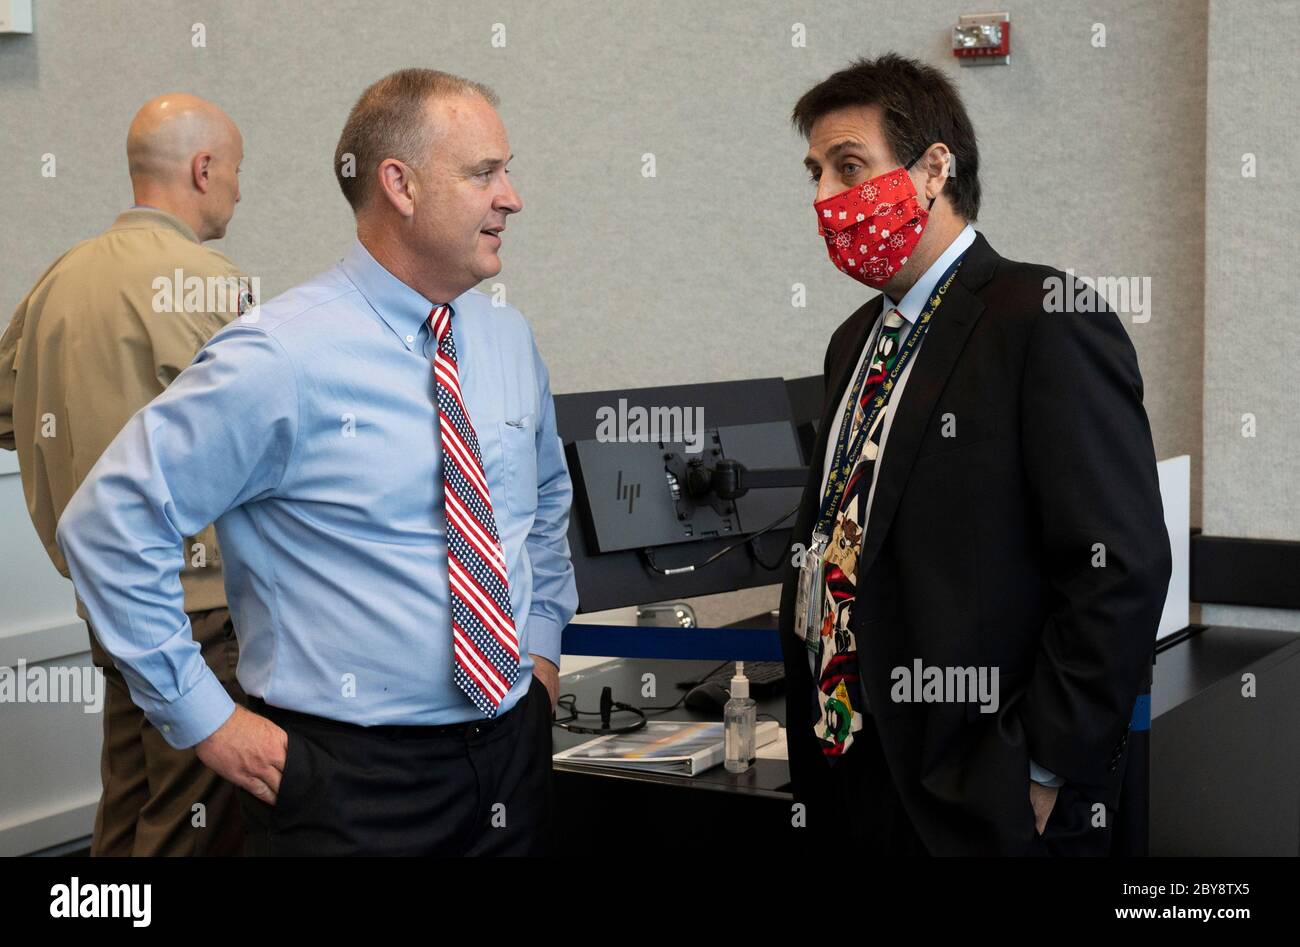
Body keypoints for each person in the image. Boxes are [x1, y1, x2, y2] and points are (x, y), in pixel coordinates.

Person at [55, 68, 577, 857]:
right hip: (347, 786)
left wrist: (539, 652)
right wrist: (207, 717)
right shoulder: (279, 356)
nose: (512, 196)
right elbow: (109, 525)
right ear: (400, 185)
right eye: (484, 173)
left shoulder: (507, 340)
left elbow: (542, 505)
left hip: (511, 756)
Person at [779, 54, 1171, 855]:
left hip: (979, 795)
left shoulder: (1042, 319)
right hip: (851, 772)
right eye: (815, 172)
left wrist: (1040, 770)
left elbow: (1117, 568)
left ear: (932, 170)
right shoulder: (854, 340)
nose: (824, 199)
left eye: (849, 167)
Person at [0, 92, 250, 855]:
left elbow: (8, 413)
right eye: (236, 172)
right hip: (201, 606)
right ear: (204, 168)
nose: (240, 190)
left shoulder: (57, 281)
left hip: (108, 601)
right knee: (192, 820)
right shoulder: (216, 286)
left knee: (127, 802)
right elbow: (275, 448)